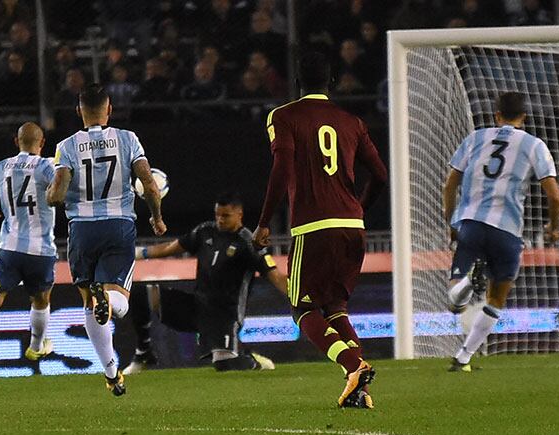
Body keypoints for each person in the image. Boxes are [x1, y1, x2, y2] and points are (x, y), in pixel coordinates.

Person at [252, 52, 388, 409]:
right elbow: (381, 176)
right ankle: (359, 390)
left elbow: (281, 167)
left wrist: (264, 221)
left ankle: (353, 365)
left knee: (302, 309)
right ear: (329, 84)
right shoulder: (352, 121)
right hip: (352, 226)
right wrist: (359, 208)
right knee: (336, 308)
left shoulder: (283, 116)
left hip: (314, 226)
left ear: (297, 84)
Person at [46, 83, 166, 397]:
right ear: (109, 109)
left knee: (89, 305)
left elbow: (57, 192)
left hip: (82, 230)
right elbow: (150, 186)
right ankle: (108, 299)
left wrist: (50, 195)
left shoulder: (67, 146)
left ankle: (112, 373)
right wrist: (156, 217)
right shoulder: (128, 139)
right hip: (118, 225)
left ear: (78, 112)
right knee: (120, 302)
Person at [444, 92, 559, 371]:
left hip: (470, 223)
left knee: (456, 288)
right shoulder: (534, 145)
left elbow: (449, 185)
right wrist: (553, 228)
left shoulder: (475, 138)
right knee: (497, 298)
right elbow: (555, 196)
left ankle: (461, 289)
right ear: (524, 117)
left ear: (496, 115)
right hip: (507, 231)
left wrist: (452, 222)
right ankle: (463, 357)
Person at [128, 192, 288, 374]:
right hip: (195, 306)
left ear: (239, 215)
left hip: (225, 315)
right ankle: (143, 353)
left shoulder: (249, 243)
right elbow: (170, 247)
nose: (220, 220)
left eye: (226, 216)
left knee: (225, 365)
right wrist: (138, 253)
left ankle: (253, 361)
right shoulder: (205, 231)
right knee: (140, 294)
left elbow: (274, 276)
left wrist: (299, 299)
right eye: (217, 215)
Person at [0, 122, 56, 362]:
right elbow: (62, 187)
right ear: (42, 143)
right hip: (41, 249)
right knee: (41, 300)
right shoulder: (46, 166)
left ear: (15, 141)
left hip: (9, 246)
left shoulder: (0, 167)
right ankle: (36, 345)